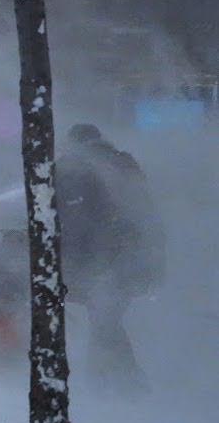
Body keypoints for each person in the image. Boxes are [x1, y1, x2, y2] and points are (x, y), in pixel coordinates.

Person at [56, 123, 165, 390]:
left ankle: (129, 384)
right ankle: (103, 381)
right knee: (103, 318)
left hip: (103, 261)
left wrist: (65, 263)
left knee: (105, 320)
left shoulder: (75, 171)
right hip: (133, 259)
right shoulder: (124, 164)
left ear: (74, 143)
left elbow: (75, 223)